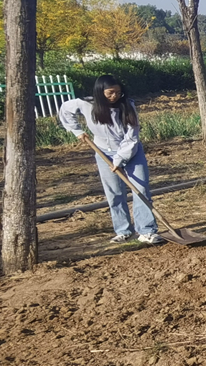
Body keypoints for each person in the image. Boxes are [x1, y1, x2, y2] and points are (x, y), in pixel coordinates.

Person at [59, 75, 162, 245]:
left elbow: (132, 136)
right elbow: (65, 109)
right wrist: (77, 131)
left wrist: (119, 159)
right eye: (110, 93)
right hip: (102, 152)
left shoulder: (127, 105)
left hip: (132, 152)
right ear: (100, 92)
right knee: (114, 193)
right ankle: (124, 231)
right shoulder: (86, 104)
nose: (114, 96)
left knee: (140, 189)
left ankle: (146, 231)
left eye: (118, 93)